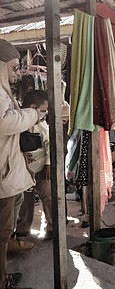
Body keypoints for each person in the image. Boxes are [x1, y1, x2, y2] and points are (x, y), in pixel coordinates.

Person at [0, 38, 38, 289]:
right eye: (13, 67)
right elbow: (3, 122)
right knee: (2, 234)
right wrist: (35, 115)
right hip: (2, 176)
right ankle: (3, 286)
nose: (16, 74)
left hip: (5, 172)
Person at [16, 90, 53, 240]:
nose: (45, 114)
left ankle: (51, 226)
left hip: (42, 168)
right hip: (24, 169)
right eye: (43, 110)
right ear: (33, 107)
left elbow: (50, 144)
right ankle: (23, 227)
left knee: (48, 196)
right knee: (25, 199)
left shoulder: (42, 124)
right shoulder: (17, 121)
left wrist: (49, 164)